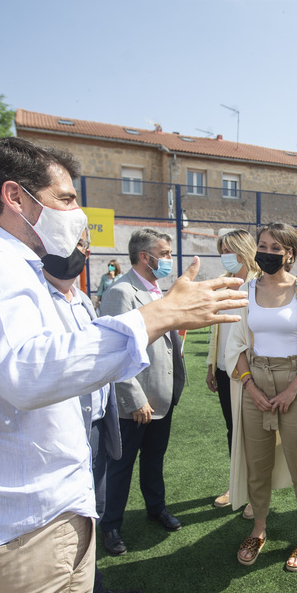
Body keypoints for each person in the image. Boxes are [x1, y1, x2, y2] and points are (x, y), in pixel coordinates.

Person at [0, 136, 246, 593]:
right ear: (16, 197)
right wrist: (157, 315)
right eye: (67, 199)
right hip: (31, 520)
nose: (78, 216)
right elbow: (29, 371)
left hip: (33, 511)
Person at [41, 231, 142, 593]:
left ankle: (89, 589)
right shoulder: (35, 300)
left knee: (92, 508)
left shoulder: (82, 300)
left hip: (97, 423)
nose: (82, 252)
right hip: (64, 430)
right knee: (66, 515)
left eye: (85, 245)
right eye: (75, 243)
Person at [227, 223, 297, 572]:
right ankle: (258, 529)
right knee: (257, 466)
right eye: (262, 245)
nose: (266, 252)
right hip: (253, 381)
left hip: (294, 381)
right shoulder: (246, 289)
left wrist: (292, 389)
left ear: (289, 253)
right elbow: (237, 344)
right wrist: (251, 388)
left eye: (275, 247)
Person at [100, 228, 186, 556]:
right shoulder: (121, 292)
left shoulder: (155, 290)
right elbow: (114, 351)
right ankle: (110, 526)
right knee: (121, 466)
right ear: (144, 257)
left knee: (154, 459)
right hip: (137, 402)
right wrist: (134, 397)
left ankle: (156, 507)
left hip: (162, 396)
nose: (168, 260)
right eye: (163, 254)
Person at [206, 229, 260, 511]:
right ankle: (236, 485)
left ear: (241, 251)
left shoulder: (259, 283)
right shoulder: (224, 284)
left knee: (251, 432)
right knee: (232, 429)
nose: (223, 257)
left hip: (250, 371)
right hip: (224, 370)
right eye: (221, 252)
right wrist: (210, 365)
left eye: (226, 251)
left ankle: (255, 492)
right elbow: (218, 329)